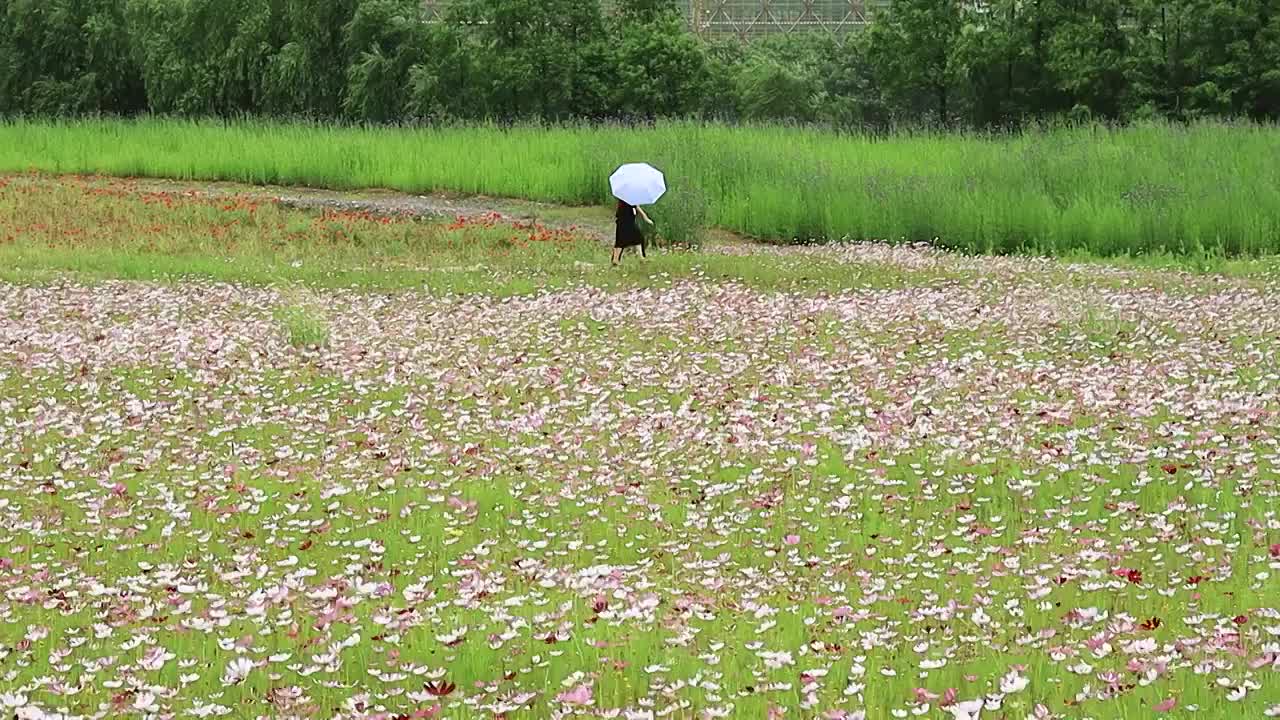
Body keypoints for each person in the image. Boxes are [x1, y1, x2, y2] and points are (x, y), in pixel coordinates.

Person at [613, 200, 652, 266]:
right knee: (622, 241)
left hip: (625, 220)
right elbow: (636, 206)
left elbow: (636, 206)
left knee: (635, 238)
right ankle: (615, 260)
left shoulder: (626, 199)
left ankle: (641, 258)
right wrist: (645, 217)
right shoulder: (627, 199)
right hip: (625, 220)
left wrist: (645, 217)